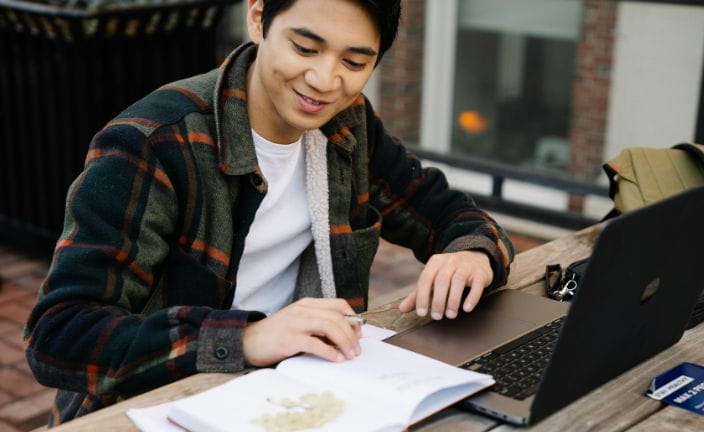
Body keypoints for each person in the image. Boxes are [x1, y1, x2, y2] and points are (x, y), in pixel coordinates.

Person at [24, 0, 514, 425]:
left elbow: (447, 212)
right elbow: (60, 334)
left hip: (306, 398)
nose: (325, 80)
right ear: (258, 19)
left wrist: (471, 253)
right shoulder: (152, 142)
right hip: (161, 408)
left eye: (354, 60)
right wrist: (248, 338)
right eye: (305, 48)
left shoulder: (347, 123)